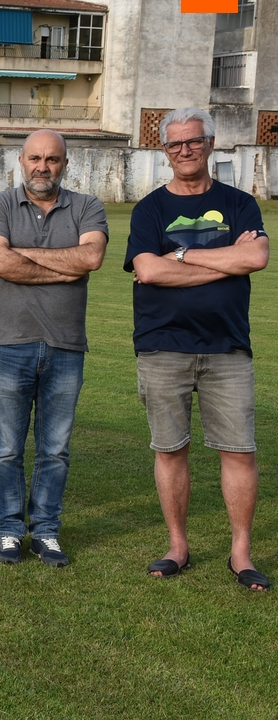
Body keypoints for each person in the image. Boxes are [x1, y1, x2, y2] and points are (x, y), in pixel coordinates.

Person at [126, 107, 270, 591]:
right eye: (175, 144)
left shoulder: (239, 203)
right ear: (164, 151)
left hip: (228, 347)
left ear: (211, 144)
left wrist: (184, 255)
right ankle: (177, 547)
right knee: (171, 450)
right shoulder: (149, 209)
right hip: (162, 346)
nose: (184, 150)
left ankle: (241, 553)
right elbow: (148, 271)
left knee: (239, 452)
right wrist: (227, 263)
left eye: (193, 141)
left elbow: (256, 256)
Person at [0, 129, 108, 567]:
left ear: (65, 163)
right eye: (35, 158)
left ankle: (46, 531)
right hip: (8, 342)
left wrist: (25, 258)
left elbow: (91, 259)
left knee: (55, 449)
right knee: (7, 448)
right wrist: (64, 265)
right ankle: (10, 531)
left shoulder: (87, 206)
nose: (43, 166)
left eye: (52, 159)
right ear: (21, 160)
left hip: (66, 345)